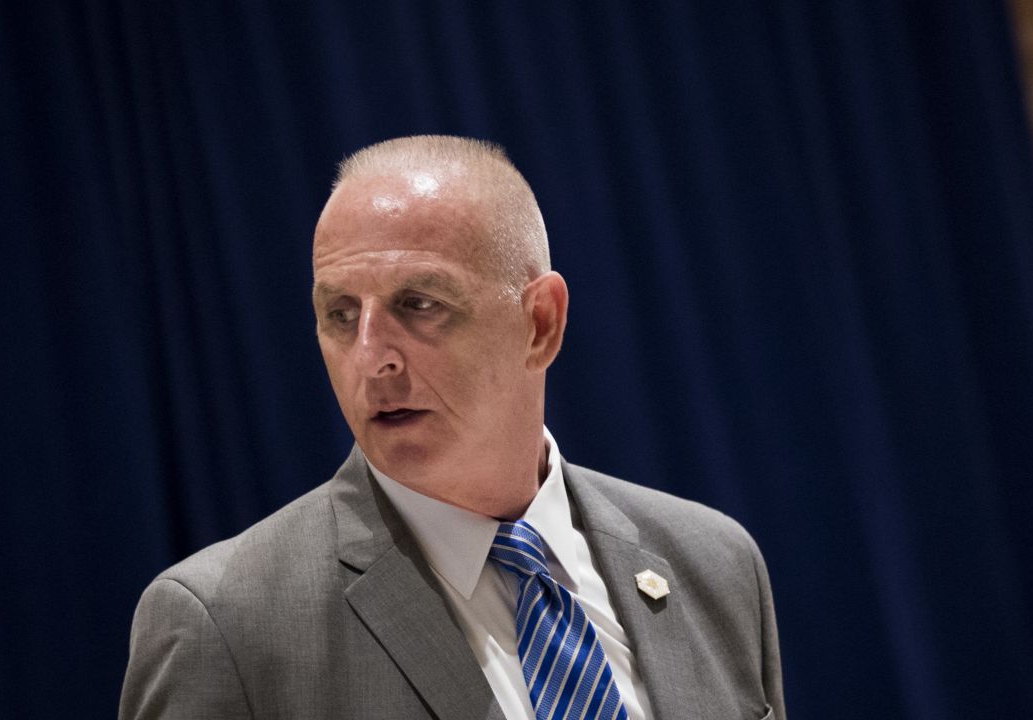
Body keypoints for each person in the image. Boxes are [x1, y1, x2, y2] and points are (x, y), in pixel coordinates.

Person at [119, 135, 785, 720]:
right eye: (341, 315)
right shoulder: (226, 625)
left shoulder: (713, 564)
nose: (371, 356)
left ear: (540, 324)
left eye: (419, 304)